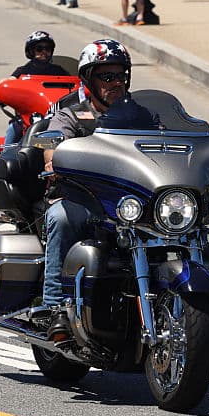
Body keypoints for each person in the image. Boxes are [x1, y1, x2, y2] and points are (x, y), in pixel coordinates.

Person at [40, 39, 144, 341]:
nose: (115, 83)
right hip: (82, 198)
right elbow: (49, 142)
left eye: (120, 76)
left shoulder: (142, 116)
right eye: (106, 77)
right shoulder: (70, 114)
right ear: (89, 79)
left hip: (131, 203)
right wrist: (53, 158)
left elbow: (171, 139)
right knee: (61, 218)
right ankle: (56, 308)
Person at [0, 31, 71, 145]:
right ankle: (5, 158)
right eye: (39, 49)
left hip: (56, 115)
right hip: (28, 118)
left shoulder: (59, 71)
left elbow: (74, 87)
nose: (44, 52)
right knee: (13, 128)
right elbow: (9, 82)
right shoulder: (23, 71)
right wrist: (0, 89)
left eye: (48, 48)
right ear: (31, 51)